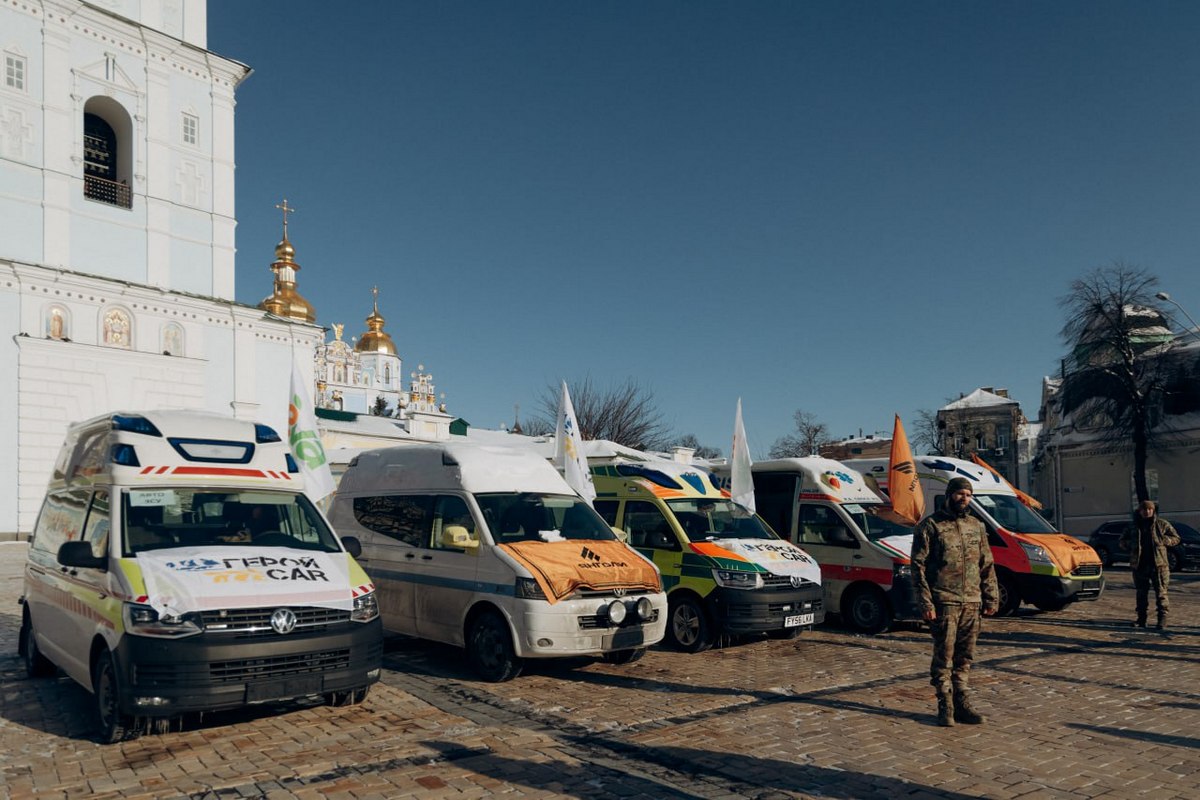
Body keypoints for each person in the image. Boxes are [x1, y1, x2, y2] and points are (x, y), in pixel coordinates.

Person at [910, 477, 999, 727]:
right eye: (960, 494)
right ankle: (945, 704)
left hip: (972, 601)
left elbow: (986, 564)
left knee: (965, 656)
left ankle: (962, 702)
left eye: (968, 495)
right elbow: (917, 567)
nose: (964, 499)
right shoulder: (931, 526)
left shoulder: (976, 526)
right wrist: (926, 603)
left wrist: (991, 596)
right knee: (944, 656)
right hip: (944, 601)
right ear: (949, 495)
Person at [1119, 500, 1180, 631]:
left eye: (1149, 509)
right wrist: (1131, 545)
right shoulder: (1133, 526)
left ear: (1153, 510)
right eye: (1144, 509)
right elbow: (1122, 541)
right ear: (1139, 511)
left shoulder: (1161, 524)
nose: (1147, 512)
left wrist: (1164, 540)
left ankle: (1162, 620)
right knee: (1141, 593)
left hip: (1159, 565)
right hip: (1140, 565)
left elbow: (1176, 538)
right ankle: (1141, 619)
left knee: (1161, 593)